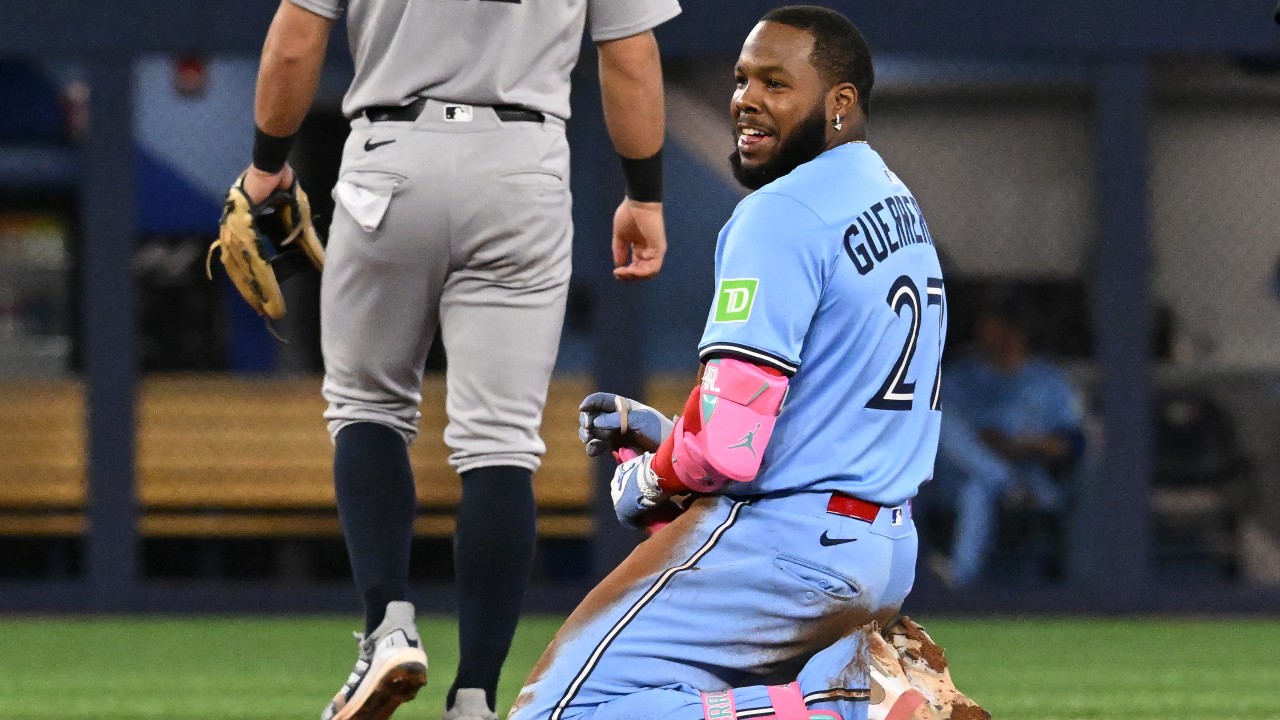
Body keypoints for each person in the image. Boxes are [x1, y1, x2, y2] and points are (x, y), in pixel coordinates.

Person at [233, 0, 680, 717]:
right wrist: (645, 197)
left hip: (392, 155)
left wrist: (265, 168)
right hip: (521, 168)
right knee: (500, 441)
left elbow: (293, 44)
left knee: (368, 408)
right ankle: (475, 694)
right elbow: (631, 55)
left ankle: (387, 627)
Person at [509, 7, 951, 719]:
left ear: (840, 103)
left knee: (556, 714)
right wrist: (667, 431)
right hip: (881, 546)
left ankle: (843, 701)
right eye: (743, 78)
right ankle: (835, 698)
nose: (746, 98)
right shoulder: (895, 202)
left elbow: (727, 448)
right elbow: (810, 404)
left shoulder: (780, 213)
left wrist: (651, 479)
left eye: (777, 83)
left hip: (787, 548)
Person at [930, 296, 1085, 588]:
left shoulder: (1047, 379)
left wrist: (1025, 444)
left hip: (1034, 479)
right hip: (957, 478)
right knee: (940, 420)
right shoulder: (962, 377)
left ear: (1016, 331)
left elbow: (1072, 443)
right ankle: (1004, 480)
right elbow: (953, 439)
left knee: (978, 490)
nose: (985, 336)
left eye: (994, 328)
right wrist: (993, 445)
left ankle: (961, 582)